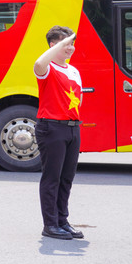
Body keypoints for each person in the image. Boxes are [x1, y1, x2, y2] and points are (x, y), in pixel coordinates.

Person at [34, 27, 85, 240]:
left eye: (72, 43)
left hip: (72, 127)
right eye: (66, 43)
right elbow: (38, 64)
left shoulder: (73, 71)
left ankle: (63, 220)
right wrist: (57, 48)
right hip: (51, 127)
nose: (71, 48)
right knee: (52, 177)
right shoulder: (47, 69)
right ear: (53, 45)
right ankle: (50, 224)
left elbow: (78, 98)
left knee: (66, 178)